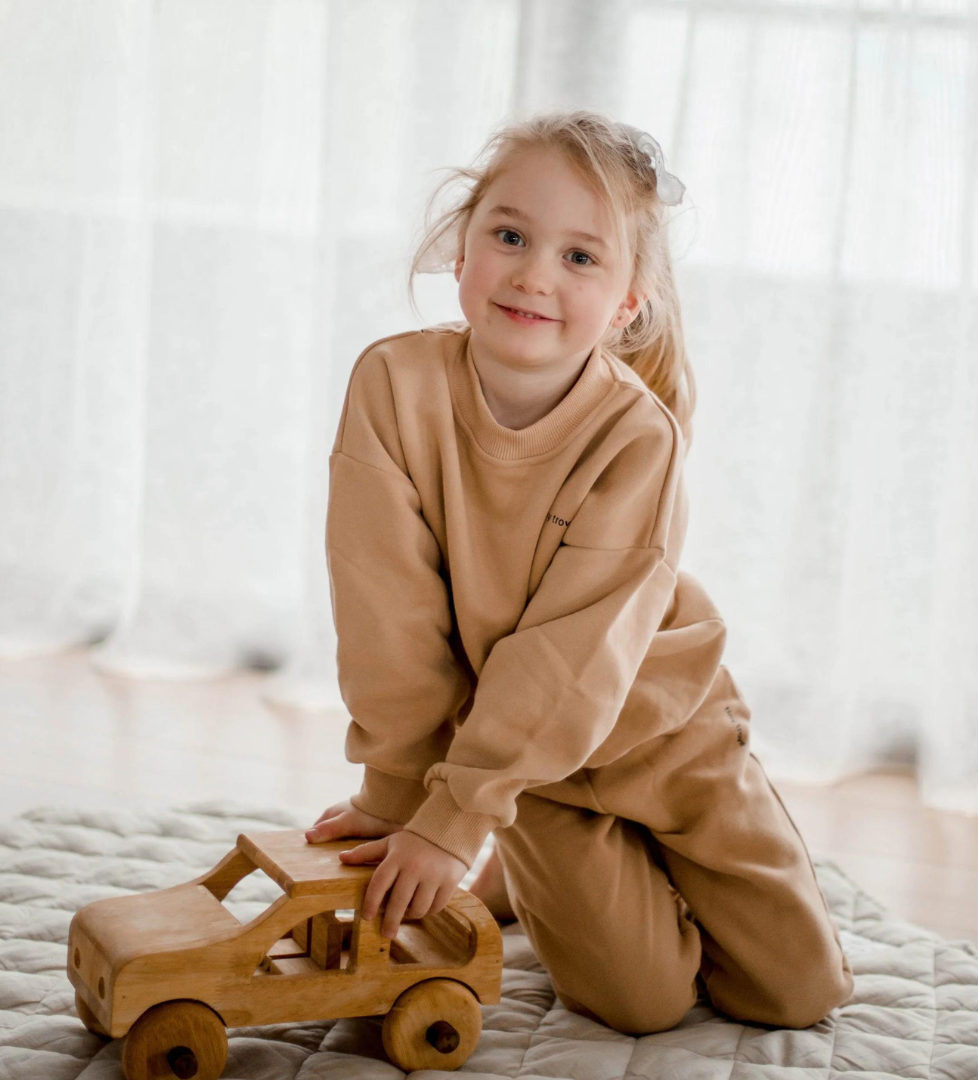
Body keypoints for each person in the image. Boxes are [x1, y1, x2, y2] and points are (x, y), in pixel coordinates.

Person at [305, 108, 854, 1035]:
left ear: (629, 300)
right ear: (460, 247)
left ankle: (562, 854)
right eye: (510, 236)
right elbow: (382, 611)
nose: (533, 274)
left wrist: (460, 812)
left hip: (658, 727)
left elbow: (572, 652)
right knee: (637, 1006)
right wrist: (412, 801)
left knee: (795, 993)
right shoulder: (393, 387)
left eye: (580, 257)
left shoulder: (638, 436)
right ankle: (523, 860)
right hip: (530, 763)